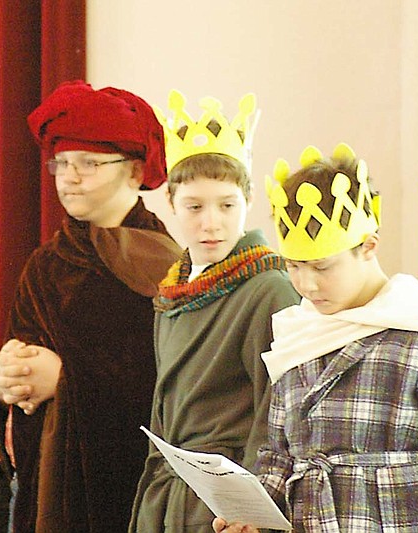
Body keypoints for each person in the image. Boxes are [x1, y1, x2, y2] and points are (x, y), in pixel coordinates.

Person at [213, 143, 418, 532]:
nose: (306, 284)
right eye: (295, 267)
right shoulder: (296, 336)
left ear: (369, 245)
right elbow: (277, 458)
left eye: (321, 266)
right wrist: (253, 518)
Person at [0, 80, 182, 533]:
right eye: (62, 163)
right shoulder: (44, 265)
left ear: (134, 171)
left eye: (88, 164)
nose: (69, 177)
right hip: (46, 490)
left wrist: (64, 379)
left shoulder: (166, 268)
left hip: (127, 494)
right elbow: (22, 354)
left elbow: (167, 392)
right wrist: (4, 384)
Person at [128, 91, 299, 532]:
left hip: (226, 504)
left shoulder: (269, 289)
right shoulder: (173, 292)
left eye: (227, 205)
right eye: (194, 206)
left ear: (247, 203)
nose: (211, 223)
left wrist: (250, 506)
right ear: (170, 204)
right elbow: (162, 413)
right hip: (168, 494)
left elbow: (275, 411)